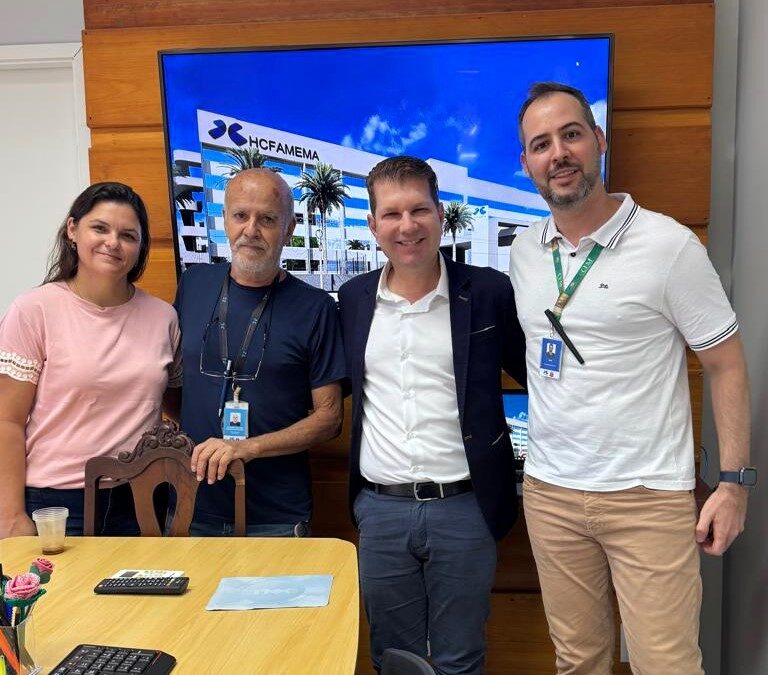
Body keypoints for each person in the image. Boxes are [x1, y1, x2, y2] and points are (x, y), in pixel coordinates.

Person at [510, 81, 752, 674]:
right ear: (526, 164)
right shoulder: (523, 249)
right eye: (541, 144)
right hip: (549, 495)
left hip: (648, 500)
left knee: (665, 666)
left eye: (571, 134)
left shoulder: (668, 246)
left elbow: (726, 365)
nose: (558, 153)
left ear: (599, 139)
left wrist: (734, 483)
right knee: (578, 662)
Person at [338, 156, 527, 674]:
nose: (407, 225)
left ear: (440, 215)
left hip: (465, 508)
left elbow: (539, 378)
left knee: (459, 659)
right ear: (373, 224)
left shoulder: (488, 292)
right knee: (390, 658)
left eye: (419, 209)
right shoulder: (354, 300)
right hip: (381, 510)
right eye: (392, 213)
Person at [0, 182, 182, 538]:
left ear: (140, 246)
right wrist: (9, 516)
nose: (112, 242)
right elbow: (7, 421)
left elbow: (175, 404)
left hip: (142, 500)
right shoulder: (33, 310)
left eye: (128, 235)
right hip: (55, 503)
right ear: (72, 230)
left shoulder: (164, 318)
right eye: (100, 228)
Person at [175, 168, 345, 537]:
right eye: (240, 215)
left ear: (289, 228)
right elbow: (168, 383)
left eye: (267, 219)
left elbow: (329, 419)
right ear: (225, 220)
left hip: (277, 517)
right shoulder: (192, 285)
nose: (251, 230)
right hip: (191, 507)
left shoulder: (316, 309)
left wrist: (248, 448)